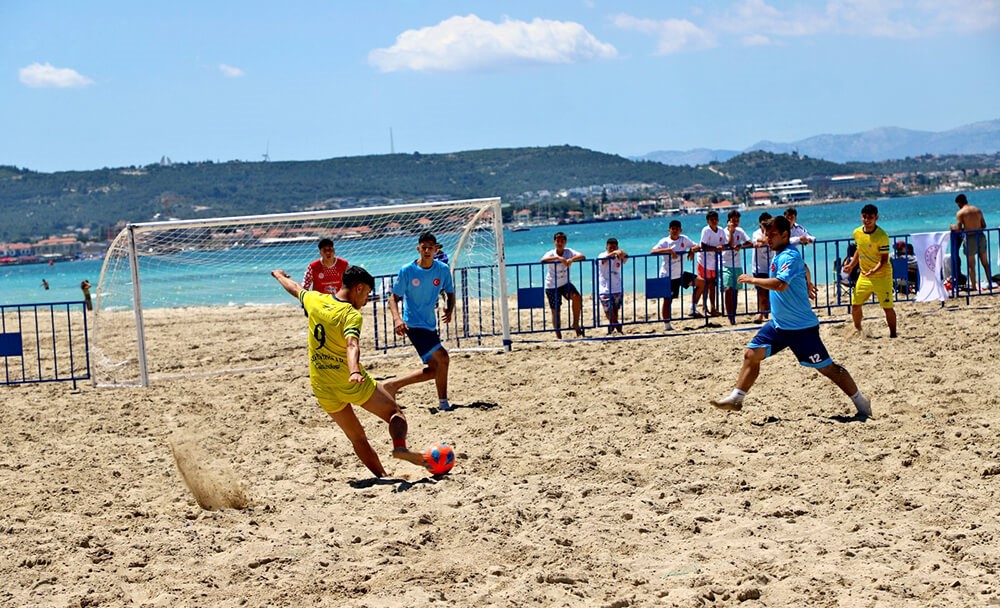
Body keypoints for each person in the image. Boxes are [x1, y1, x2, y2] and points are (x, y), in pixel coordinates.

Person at [270, 265, 429, 477]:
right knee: (395, 413)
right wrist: (354, 370)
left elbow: (295, 287)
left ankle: (382, 477)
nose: (366, 300)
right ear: (358, 288)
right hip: (349, 382)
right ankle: (400, 447)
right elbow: (352, 344)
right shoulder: (351, 314)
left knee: (357, 438)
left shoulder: (315, 299)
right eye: (367, 294)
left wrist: (279, 275)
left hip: (322, 386)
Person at [709, 215, 872, 419]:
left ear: (785, 235)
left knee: (829, 369)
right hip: (779, 325)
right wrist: (808, 280)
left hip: (801, 328)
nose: (768, 238)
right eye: (766, 234)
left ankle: (861, 402)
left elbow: (780, 284)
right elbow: (804, 267)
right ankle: (736, 398)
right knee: (751, 354)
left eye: (772, 235)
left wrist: (752, 280)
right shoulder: (780, 254)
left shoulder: (789, 256)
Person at [385, 232, 457, 411]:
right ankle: (443, 403)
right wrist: (397, 319)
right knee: (443, 357)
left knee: (435, 369)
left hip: (430, 324)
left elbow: (450, 292)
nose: (427, 251)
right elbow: (393, 298)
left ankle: (392, 386)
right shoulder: (407, 270)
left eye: (430, 248)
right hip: (413, 324)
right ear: (418, 249)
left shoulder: (442, 269)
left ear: (436, 249)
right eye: (423, 248)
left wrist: (449, 309)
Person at [842, 204, 897, 338]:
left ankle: (893, 334)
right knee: (855, 305)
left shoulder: (882, 236)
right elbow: (859, 250)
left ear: (876, 218)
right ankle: (859, 330)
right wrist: (851, 265)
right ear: (861, 217)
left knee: (887, 307)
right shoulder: (857, 232)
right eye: (864, 217)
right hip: (865, 275)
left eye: (870, 217)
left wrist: (873, 271)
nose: (867, 220)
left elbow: (884, 261)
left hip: (882, 276)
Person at [650, 220, 703, 330]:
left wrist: (692, 250)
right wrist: (668, 250)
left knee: (701, 282)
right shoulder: (665, 241)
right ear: (669, 230)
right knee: (667, 300)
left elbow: (698, 246)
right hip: (667, 275)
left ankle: (692, 308)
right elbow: (653, 251)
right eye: (672, 229)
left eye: (677, 229)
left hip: (680, 274)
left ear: (680, 230)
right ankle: (667, 324)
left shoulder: (684, 239)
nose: (674, 231)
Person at [541, 231, 585, 338]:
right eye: (558, 241)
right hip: (551, 285)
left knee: (577, 297)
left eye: (562, 241)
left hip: (565, 283)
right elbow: (543, 260)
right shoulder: (551, 253)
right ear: (554, 242)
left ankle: (575, 323)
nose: (560, 243)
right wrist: (558, 258)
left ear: (565, 242)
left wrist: (571, 259)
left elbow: (583, 256)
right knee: (556, 310)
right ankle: (558, 334)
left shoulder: (569, 251)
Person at [950, 193, 991, 291]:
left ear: (959, 203)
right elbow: (984, 225)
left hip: (970, 238)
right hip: (980, 236)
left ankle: (974, 287)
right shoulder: (977, 210)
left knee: (971, 265)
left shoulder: (960, 213)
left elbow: (959, 229)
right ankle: (990, 283)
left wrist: (952, 227)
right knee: (985, 263)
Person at [720, 210, 752, 325]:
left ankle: (733, 314)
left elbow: (750, 243)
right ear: (729, 221)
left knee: (735, 291)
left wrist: (741, 246)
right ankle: (729, 316)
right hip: (725, 263)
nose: (735, 223)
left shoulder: (740, 231)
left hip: (737, 264)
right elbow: (729, 244)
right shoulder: (723, 232)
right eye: (733, 220)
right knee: (728, 289)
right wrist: (731, 232)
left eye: (737, 221)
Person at [697, 210, 728, 317]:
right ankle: (704, 306)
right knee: (705, 284)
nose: (714, 221)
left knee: (712, 285)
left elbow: (725, 244)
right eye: (711, 219)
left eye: (715, 219)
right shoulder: (706, 230)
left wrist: (722, 247)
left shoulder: (721, 231)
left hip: (714, 261)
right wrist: (715, 248)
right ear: (708, 221)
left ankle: (713, 307)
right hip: (703, 261)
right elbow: (703, 245)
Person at [596, 238, 627, 334]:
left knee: (615, 310)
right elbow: (602, 260)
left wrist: (622, 253)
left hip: (617, 287)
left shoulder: (618, 256)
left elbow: (626, 259)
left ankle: (612, 327)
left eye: (615, 247)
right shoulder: (602, 255)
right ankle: (617, 326)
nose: (613, 249)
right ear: (606, 247)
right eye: (610, 247)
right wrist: (613, 253)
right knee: (608, 310)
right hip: (604, 288)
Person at [750, 212, 773, 323]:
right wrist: (765, 238)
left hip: (771, 266)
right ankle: (761, 313)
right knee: (761, 293)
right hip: (759, 267)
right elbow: (758, 241)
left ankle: (768, 313)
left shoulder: (773, 232)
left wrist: (765, 241)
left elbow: (767, 241)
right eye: (764, 223)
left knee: (771, 292)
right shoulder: (756, 233)